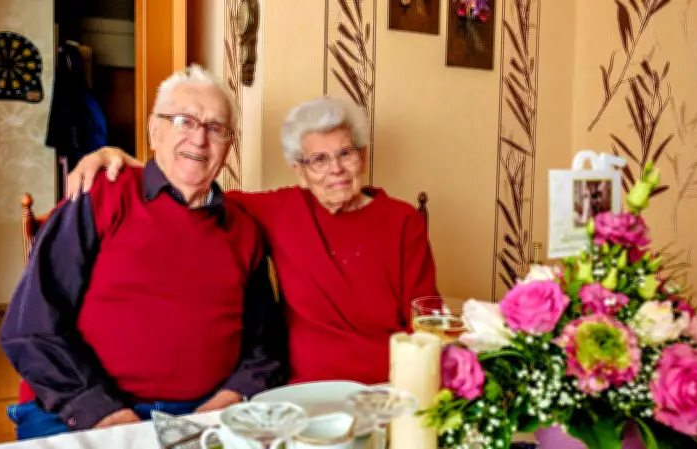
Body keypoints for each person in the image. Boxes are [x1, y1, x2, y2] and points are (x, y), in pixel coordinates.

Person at [66, 96, 439, 385]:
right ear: (299, 170)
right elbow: (192, 189)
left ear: (364, 156)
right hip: (303, 390)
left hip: (387, 385)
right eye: (318, 160)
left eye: (346, 154)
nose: (336, 169)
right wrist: (119, 157)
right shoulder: (282, 210)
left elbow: (426, 322)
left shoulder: (402, 221)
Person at [0, 64, 285, 439]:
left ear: (228, 145)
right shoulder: (101, 194)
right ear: (154, 131)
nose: (200, 139)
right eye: (184, 121)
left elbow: (265, 345)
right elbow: (30, 328)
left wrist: (230, 398)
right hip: (81, 407)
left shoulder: (243, 230)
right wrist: (106, 414)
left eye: (216, 128)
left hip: (202, 413)